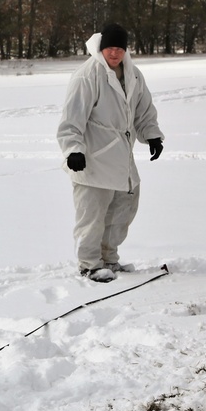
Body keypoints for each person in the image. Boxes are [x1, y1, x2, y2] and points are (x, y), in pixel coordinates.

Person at [57, 23, 164, 283]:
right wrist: (73, 149)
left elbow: (144, 110)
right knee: (91, 216)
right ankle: (89, 265)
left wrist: (151, 134)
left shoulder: (133, 74)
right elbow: (71, 120)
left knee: (123, 210)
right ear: (101, 48)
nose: (114, 53)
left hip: (121, 158)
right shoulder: (88, 75)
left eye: (119, 48)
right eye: (110, 48)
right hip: (92, 159)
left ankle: (109, 260)